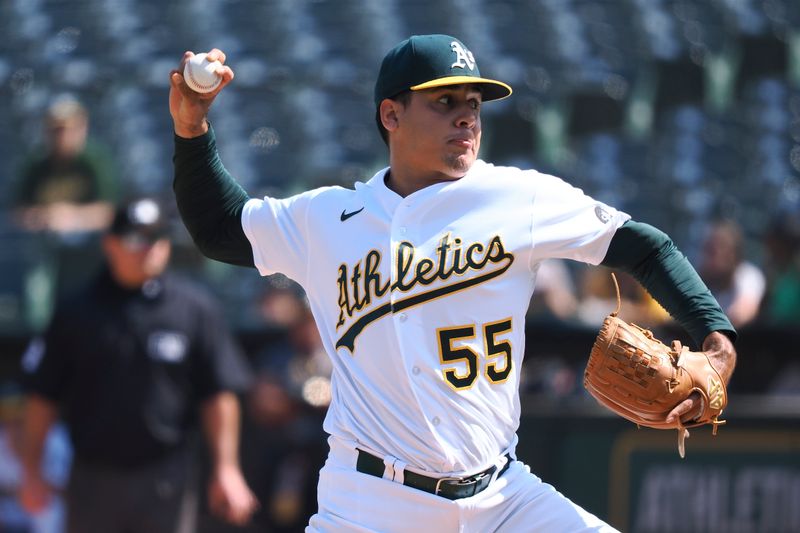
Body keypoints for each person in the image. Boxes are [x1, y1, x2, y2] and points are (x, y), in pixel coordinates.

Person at [168, 35, 737, 532]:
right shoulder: (327, 219)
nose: (467, 117)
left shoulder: (519, 198)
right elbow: (221, 230)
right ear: (391, 115)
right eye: (444, 103)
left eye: (473, 105)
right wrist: (192, 130)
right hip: (370, 504)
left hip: (503, 497)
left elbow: (644, 246)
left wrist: (717, 337)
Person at [17, 197, 259, 532]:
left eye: (157, 237)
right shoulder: (76, 313)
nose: (148, 249)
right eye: (135, 239)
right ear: (110, 244)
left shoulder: (193, 309)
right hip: (92, 478)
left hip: (165, 478)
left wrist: (227, 468)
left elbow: (218, 392)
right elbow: (41, 396)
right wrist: (31, 472)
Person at [10, 95, 119, 234]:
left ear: (83, 128)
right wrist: (44, 215)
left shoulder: (96, 160)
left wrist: (72, 216)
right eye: (57, 130)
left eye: (71, 129)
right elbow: (17, 212)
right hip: (43, 240)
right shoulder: (36, 163)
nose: (63, 136)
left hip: (90, 242)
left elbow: (109, 212)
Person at [697, 219, 766, 329]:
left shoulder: (748, 275)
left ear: (733, 253)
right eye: (707, 249)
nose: (709, 257)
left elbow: (742, 314)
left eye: (714, 251)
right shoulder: (703, 278)